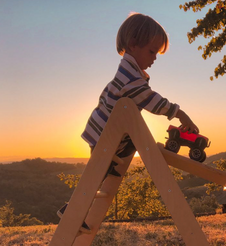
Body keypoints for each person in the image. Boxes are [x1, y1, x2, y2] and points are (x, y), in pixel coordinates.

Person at [57, 13, 199, 229]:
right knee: (93, 179)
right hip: (104, 135)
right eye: (152, 51)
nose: (155, 58)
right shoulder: (130, 77)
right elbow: (151, 100)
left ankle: (111, 166)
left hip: (107, 132)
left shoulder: (132, 72)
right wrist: (180, 113)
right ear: (133, 45)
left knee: (110, 163)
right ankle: (71, 213)